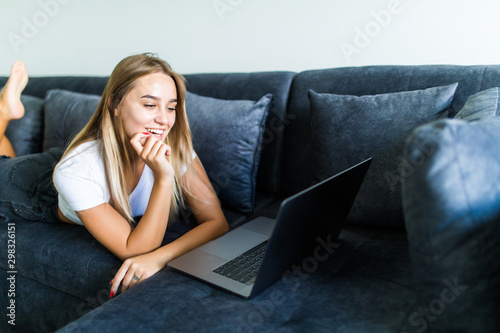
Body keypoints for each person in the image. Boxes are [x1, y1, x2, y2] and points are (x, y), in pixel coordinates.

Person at [0, 54, 229, 299]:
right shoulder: (78, 169)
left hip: (75, 170)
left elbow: (217, 223)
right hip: (32, 187)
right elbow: (136, 248)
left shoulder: (176, 147)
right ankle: (4, 110)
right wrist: (164, 177)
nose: (163, 119)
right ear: (115, 104)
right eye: (150, 105)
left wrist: (160, 258)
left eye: (171, 107)